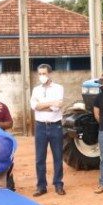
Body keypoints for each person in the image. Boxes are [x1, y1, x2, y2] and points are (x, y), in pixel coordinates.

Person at [30, 64, 65, 196]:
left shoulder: (58, 88)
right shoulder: (36, 89)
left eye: (44, 74)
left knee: (58, 156)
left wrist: (41, 105)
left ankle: (58, 184)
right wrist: (50, 103)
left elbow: (57, 107)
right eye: (40, 74)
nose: (42, 76)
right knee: (40, 158)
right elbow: (34, 106)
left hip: (55, 126)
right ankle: (41, 186)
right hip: (40, 126)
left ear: (50, 74)